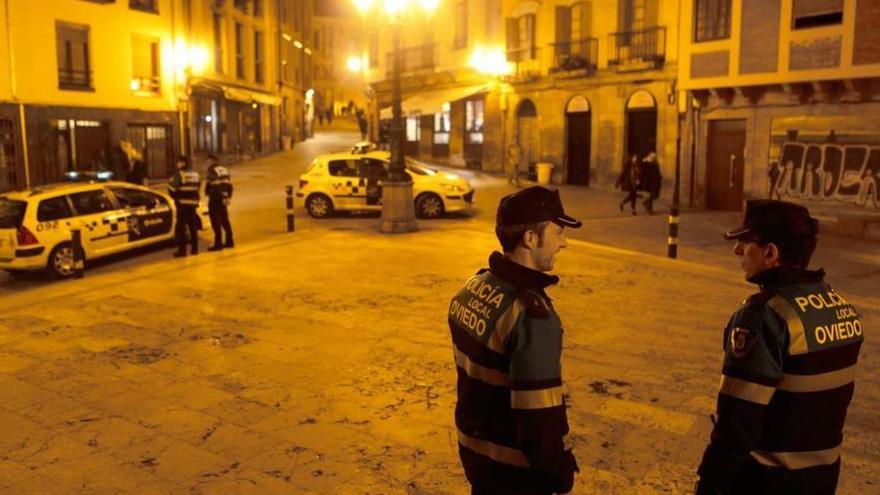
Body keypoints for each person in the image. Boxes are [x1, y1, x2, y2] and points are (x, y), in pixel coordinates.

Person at [695, 200, 864, 495]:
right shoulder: (839, 306)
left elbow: (738, 425)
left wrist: (709, 485)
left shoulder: (763, 316)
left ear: (771, 253)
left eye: (745, 243)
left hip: (766, 481)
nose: (737, 251)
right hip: (822, 477)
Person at [449, 186, 581, 495]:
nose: (563, 242)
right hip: (515, 472)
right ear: (531, 238)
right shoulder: (531, 317)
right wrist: (557, 472)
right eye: (558, 232)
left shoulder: (471, 288)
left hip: (475, 456)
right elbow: (539, 417)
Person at [167, 155, 201, 257]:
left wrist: (175, 197)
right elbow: (198, 187)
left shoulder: (179, 174)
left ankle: (182, 251)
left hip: (182, 204)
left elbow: (172, 189)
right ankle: (195, 249)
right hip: (193, 204)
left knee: (181, 228)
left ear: (183, 163)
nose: (177, 164)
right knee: (192, 227)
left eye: (179, 162)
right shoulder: (196, 174)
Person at [204, 154, 234, 251]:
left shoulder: (212, 171)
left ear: (212, 161)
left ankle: (218, 244)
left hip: (215, 198)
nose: (207, 163)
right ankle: (230, 241)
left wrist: (207, 192)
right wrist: (227, 196)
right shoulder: (224, 170)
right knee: (225, 220)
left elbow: (212, 185)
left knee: (215, 221)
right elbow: (229, 185)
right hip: (223, 198)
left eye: (208, 161)